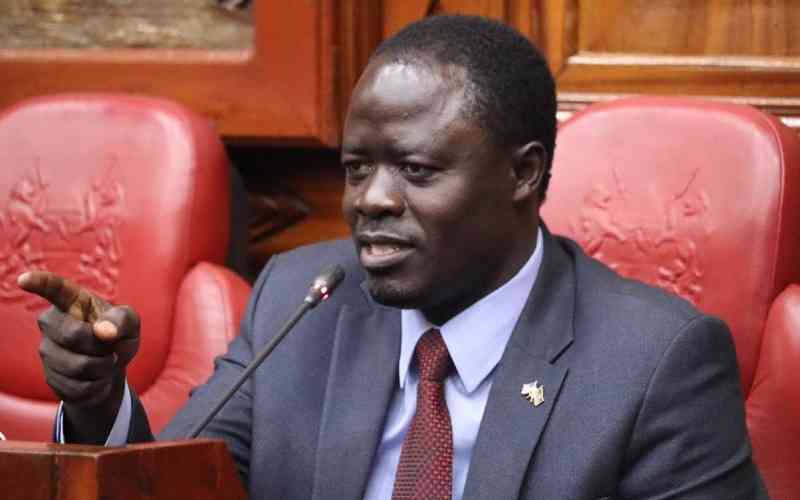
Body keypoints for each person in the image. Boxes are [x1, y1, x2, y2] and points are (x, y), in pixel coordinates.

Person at [19, 15, 767, 500]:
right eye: (356, 169)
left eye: (415, 170)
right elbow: (179, 486)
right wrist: (98, 403)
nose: (370, 200)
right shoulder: (303, 298)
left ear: (523, 173)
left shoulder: (653, 362)